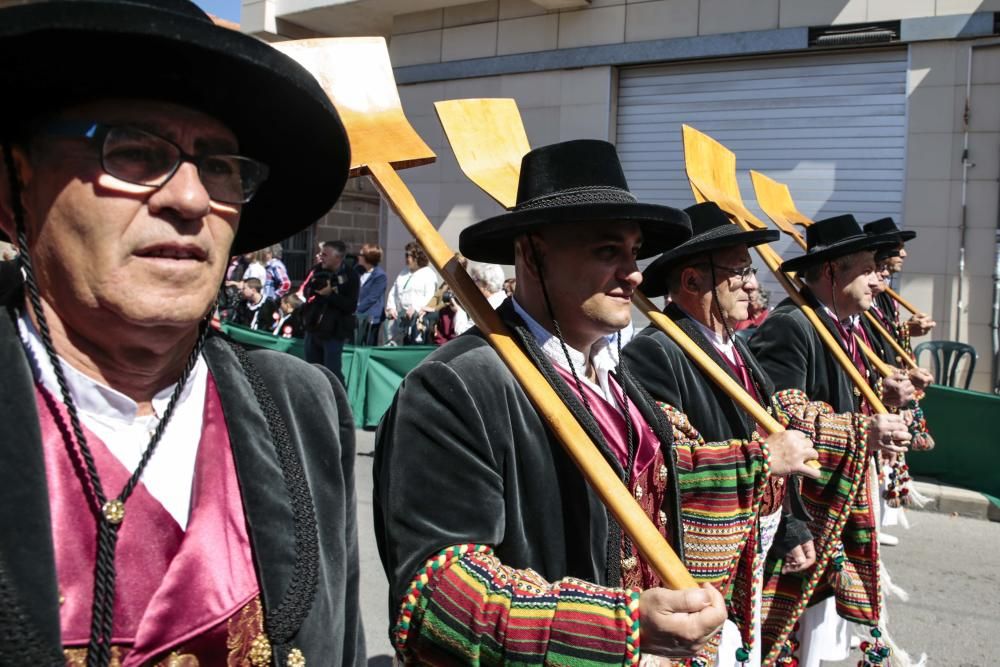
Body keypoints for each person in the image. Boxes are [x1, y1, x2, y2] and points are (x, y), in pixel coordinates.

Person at [0, 1, 363, 663]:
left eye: (221, 167)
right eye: (134, 152)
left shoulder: (301, 404)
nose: (191, 199)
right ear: (13, 187)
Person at [375, 139, 736, 665]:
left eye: (634, 252)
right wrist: (621, 628)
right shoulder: (458, 386)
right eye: (608, 251)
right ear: (532, 254)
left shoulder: (617, 376)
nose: (634, 275)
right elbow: (437, 594)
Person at [624, 203, 912, 665]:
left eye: (750, 271)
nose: (754, 285)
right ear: (692, 281)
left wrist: (792, 522)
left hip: (757, 543)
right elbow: (667, 470)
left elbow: (777, 430)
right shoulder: (656, 352)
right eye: (738, 273)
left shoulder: (735, 345)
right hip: (705, 564)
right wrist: (760, 459)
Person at [750, 215, 917, 667]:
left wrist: (883, 400)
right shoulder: (793, 324)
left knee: (818, 633)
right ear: (831, 272)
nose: (879, 282)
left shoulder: (844, 323)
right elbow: (782, 421)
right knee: (787, 635)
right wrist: (864, 430)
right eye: (867, 269)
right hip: (806, 506)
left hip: (838, 498)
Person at [302, 240, 359, 385]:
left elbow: (351, 306)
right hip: (314, 328)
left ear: (338, 258)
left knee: (332, 374)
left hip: (334, 332)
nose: (321, 257)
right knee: (312, 371)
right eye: (321, 254)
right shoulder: (316, 270)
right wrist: (313, 290)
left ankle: (339, 404)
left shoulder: (351, 276)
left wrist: (330, 295)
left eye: (325, 255)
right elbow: (305, 291)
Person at [384, 241, 437, 345]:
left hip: (417, 321)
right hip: (400, 320)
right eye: (406, 255)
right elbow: (394, 292)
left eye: (409, 255)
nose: (406, 258)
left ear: (418, 257)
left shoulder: (428, 274)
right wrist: (391, 307)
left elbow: (430, 297)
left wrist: (416, 308)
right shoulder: (403, 272)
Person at [355, 242, 387, 345]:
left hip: (371, 318)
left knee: (368, 345)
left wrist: (356, 310)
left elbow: (372, 298)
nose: (358, 257)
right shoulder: (357, 270)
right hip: (357, 317)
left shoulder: (380, 276)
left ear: (368, 258)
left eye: (361, 255)